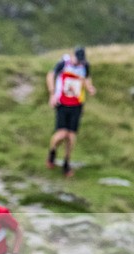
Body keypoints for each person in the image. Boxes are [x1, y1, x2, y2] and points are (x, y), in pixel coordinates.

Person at [46, 46, 96, 177]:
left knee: (71, 136)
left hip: (77, 104)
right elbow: (51, 75)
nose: (79, 62)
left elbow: (87, 79)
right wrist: (52, 94)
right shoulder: (63, 63)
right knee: (62, 134)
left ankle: (66, 162)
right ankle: (52, 152)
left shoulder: (84, 66)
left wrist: (90, 88)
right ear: (73, 55)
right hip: (62, 103)